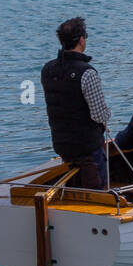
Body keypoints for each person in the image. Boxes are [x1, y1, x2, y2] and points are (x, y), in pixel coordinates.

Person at [40, 16, 112, 189]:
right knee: (97, 191)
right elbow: (99, 115)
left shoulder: (48, 69)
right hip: (87, 147)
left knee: (74, 189)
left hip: (62, 144)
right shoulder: (87, 73)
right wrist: (106, 117)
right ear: (81, 40)